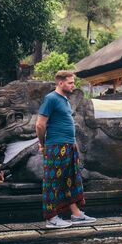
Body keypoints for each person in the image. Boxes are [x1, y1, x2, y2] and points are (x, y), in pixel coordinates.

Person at [36, 70, 96, 229]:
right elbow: (40, 124)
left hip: (69, 145)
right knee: (52, 182)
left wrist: (73, 142)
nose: (73, 85)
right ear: (60, 83)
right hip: (55, 145)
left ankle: (76, 214)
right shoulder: (51, 99)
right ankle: (51, 218)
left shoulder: (65, 100)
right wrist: (43, 143)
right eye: (70, 82)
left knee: (71, 180)